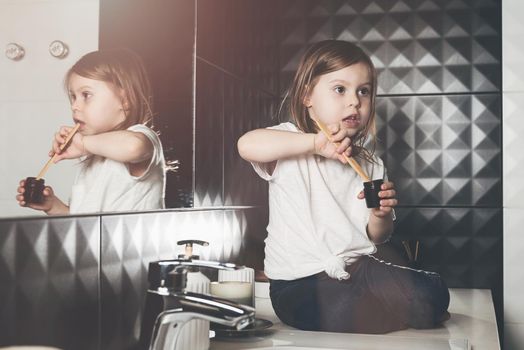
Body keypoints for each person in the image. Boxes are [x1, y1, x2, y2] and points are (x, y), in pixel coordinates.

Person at [237, 40, 449, 334]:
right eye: (340, 89)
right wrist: (315, 144)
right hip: (298, 282)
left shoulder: (370, 163)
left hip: (360, 271)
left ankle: (393, 310)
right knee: (354, 308)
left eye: (364, 91)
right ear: (307, 95)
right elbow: (246, 145)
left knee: (433, 293)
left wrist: (380, 215)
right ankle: (392, 312)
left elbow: (378, 236)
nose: (354, 101)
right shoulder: (290, 141)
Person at [16, 48, 166, 214]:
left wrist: (83, 144)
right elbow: (84, 224)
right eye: (73, 97)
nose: (74, 106)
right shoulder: (94, 157)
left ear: (125, 100)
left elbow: (134, 147)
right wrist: (53, 207)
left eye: (86, 95)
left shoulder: (142, 136)